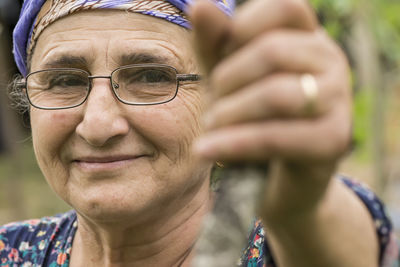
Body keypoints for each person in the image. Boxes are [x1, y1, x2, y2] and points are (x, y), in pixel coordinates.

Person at [1, 0, 398, 266]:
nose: (98, 125)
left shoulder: (281, 246)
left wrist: (303, 211)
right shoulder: (11, 253)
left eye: (152, 76)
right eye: (63, 81)